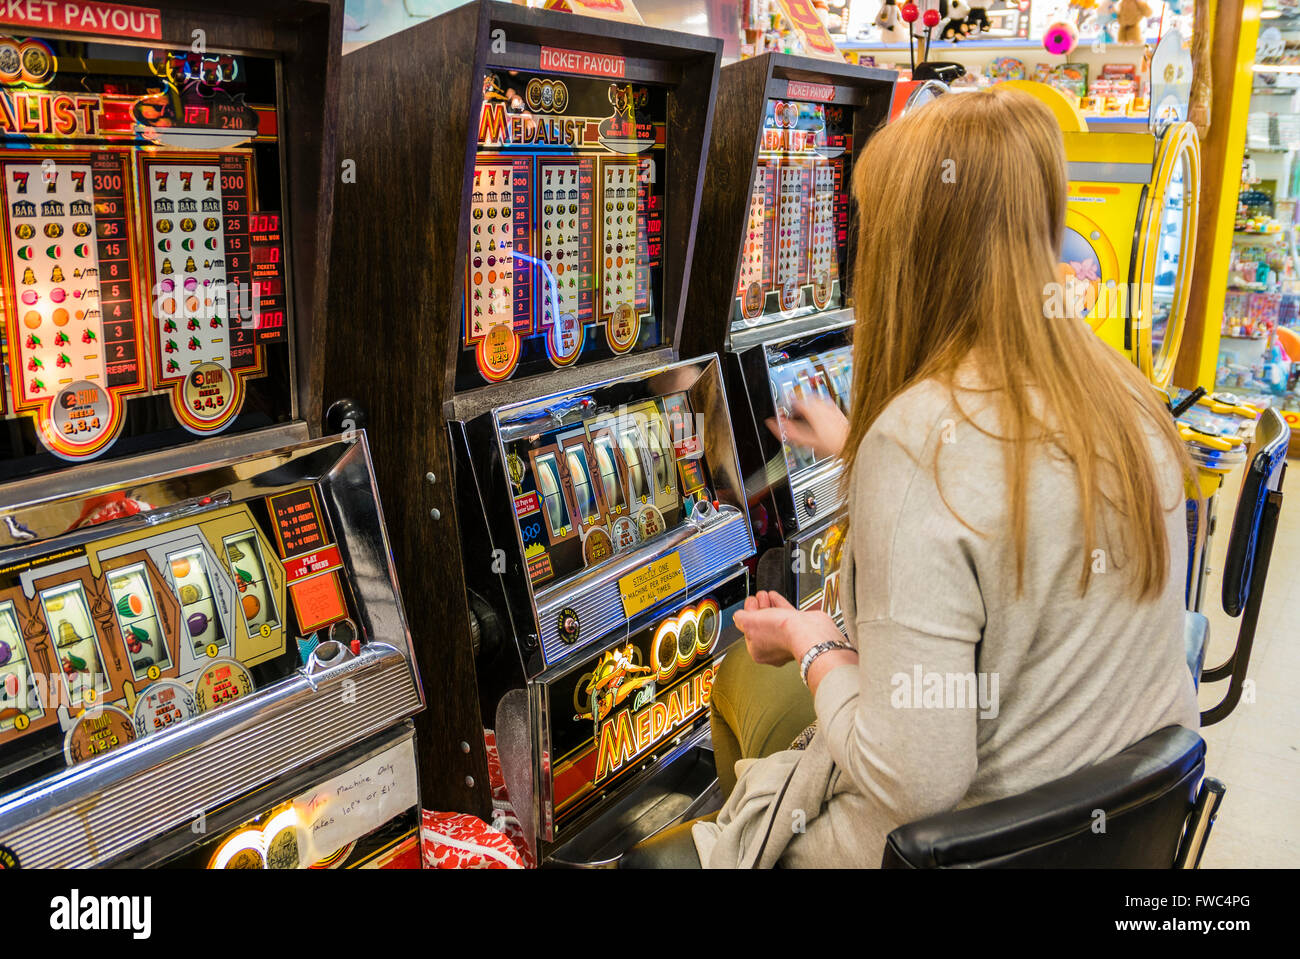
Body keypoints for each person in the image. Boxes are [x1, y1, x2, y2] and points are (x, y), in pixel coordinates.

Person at [623, 86, 1199, 869]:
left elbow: (913, 776)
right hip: (1095, 828)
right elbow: (1001, 480)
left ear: (909, 251)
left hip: (946, 844)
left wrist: (811, 635)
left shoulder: (920, 441)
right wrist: (864, 448)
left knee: (737, 688)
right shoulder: (1121, 393)